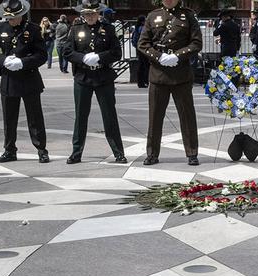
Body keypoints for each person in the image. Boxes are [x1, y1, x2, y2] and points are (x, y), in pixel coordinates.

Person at [137, 0, 203, 166]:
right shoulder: (153, 16)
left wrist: (178, 56)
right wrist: (159, 57)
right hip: (159, 74)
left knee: (187, 116)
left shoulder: (188, 16)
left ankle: (192, 153)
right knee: (155, 117)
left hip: (181, 74)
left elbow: (196, 43)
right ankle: (152, 153)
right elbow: (143, 43)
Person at [61, 1, 127, 165]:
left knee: (109, 116)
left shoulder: (109, 29)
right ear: (83, 14)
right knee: (80, 117)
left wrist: (100, 57)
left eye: (93, 13)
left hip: (103, 78)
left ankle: (118, 152)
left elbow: (116, 53)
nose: (90, 16)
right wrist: (82, 58)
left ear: (99, 13)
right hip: (83, 78)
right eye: (87, 14)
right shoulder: (75, 29)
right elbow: (67, 51)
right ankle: (76, 152)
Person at [0, 0, 49, 164]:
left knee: (35, 118)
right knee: (9, 118)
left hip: (29, 79)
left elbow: (42, 55)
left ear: (21, 15)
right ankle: (9, 150)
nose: (10, 20)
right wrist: (3, 60)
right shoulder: (0, 28)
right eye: (8, 17)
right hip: (9, 80)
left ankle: (41, 149)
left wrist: (23, 62)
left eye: (13, 17)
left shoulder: (33, 29)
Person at [132, 15, 149, 88]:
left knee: (141, 65)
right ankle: (144, 81)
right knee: (145, 66)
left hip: (138, 48)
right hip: (143, 49)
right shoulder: (142, 28)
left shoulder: (136, 28)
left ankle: (141, 82)